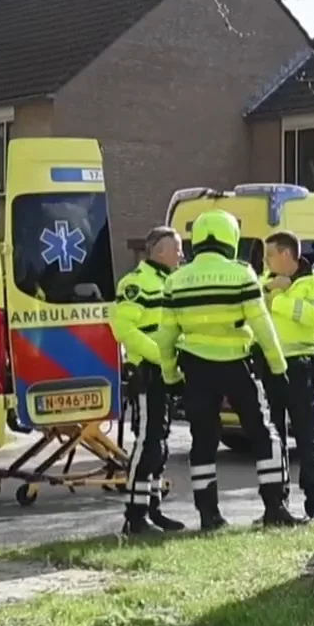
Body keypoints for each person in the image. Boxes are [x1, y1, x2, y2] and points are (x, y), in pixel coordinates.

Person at [154, 209, 294, 530]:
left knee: (203, 442)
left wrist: (171, 375)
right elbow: (263, 328)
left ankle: (209, 516)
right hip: (237, 365)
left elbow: (165, 338)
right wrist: (278, 367)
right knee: (263, 435)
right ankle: (274, 507)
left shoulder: (176, 281)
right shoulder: (242, 275)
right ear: (230, 238)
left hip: (196, 369)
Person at [111, 226, 189, 534]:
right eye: (177, 249)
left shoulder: (173, 283)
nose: (182, 255)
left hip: (167, 373)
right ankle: (135, 515)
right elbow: (123, 329)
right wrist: (160, 355)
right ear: (159, 252)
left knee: (161, 444)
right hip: (148, 372)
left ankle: (152, 508)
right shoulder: (135, 283)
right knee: (147, 444)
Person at [258, 231, 314, 523]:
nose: (265, 261)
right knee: (272, 438)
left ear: (286, 255)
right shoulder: (266, 282)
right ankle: (277, 505)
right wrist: (271, 290)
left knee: (306, 438)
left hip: (301, 369)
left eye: (269, 255)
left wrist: (279, 299)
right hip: (271, 368)